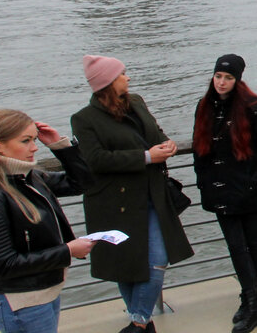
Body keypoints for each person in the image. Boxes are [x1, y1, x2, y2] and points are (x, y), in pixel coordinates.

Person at [70, 55, 194, 333]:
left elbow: (155, 132)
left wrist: (166, 144)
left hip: (153, 195)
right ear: (108, 82)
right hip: (114, 202)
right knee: (125, 263)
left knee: (158, 258)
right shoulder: (84, 119)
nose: (128, 77)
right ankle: (142, 323)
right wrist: (147, 157)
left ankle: (138, 321)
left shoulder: (136, 101)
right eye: (122, 74)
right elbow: (96, 159)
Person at [0, 110, 95, 333]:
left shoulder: (27, 177)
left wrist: (59, 146)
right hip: (20, 301)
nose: (34, 148)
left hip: (41, 292)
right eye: (26, 141)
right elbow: (4, 265)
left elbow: (82, 183)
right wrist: (67, 251)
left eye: (34, 140)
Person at [193, 54, 257, 333]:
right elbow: (200, 150)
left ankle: (252, 301)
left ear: (237, 79)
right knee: (235, 246)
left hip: (248, 188)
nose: (221, 82)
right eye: (218, 76)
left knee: (254, 244)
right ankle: (251, 301)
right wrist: (203, 182)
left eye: (228, 78)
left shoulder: (254, 107)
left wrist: (256, 181)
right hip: (220, 189)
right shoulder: (204, 106)